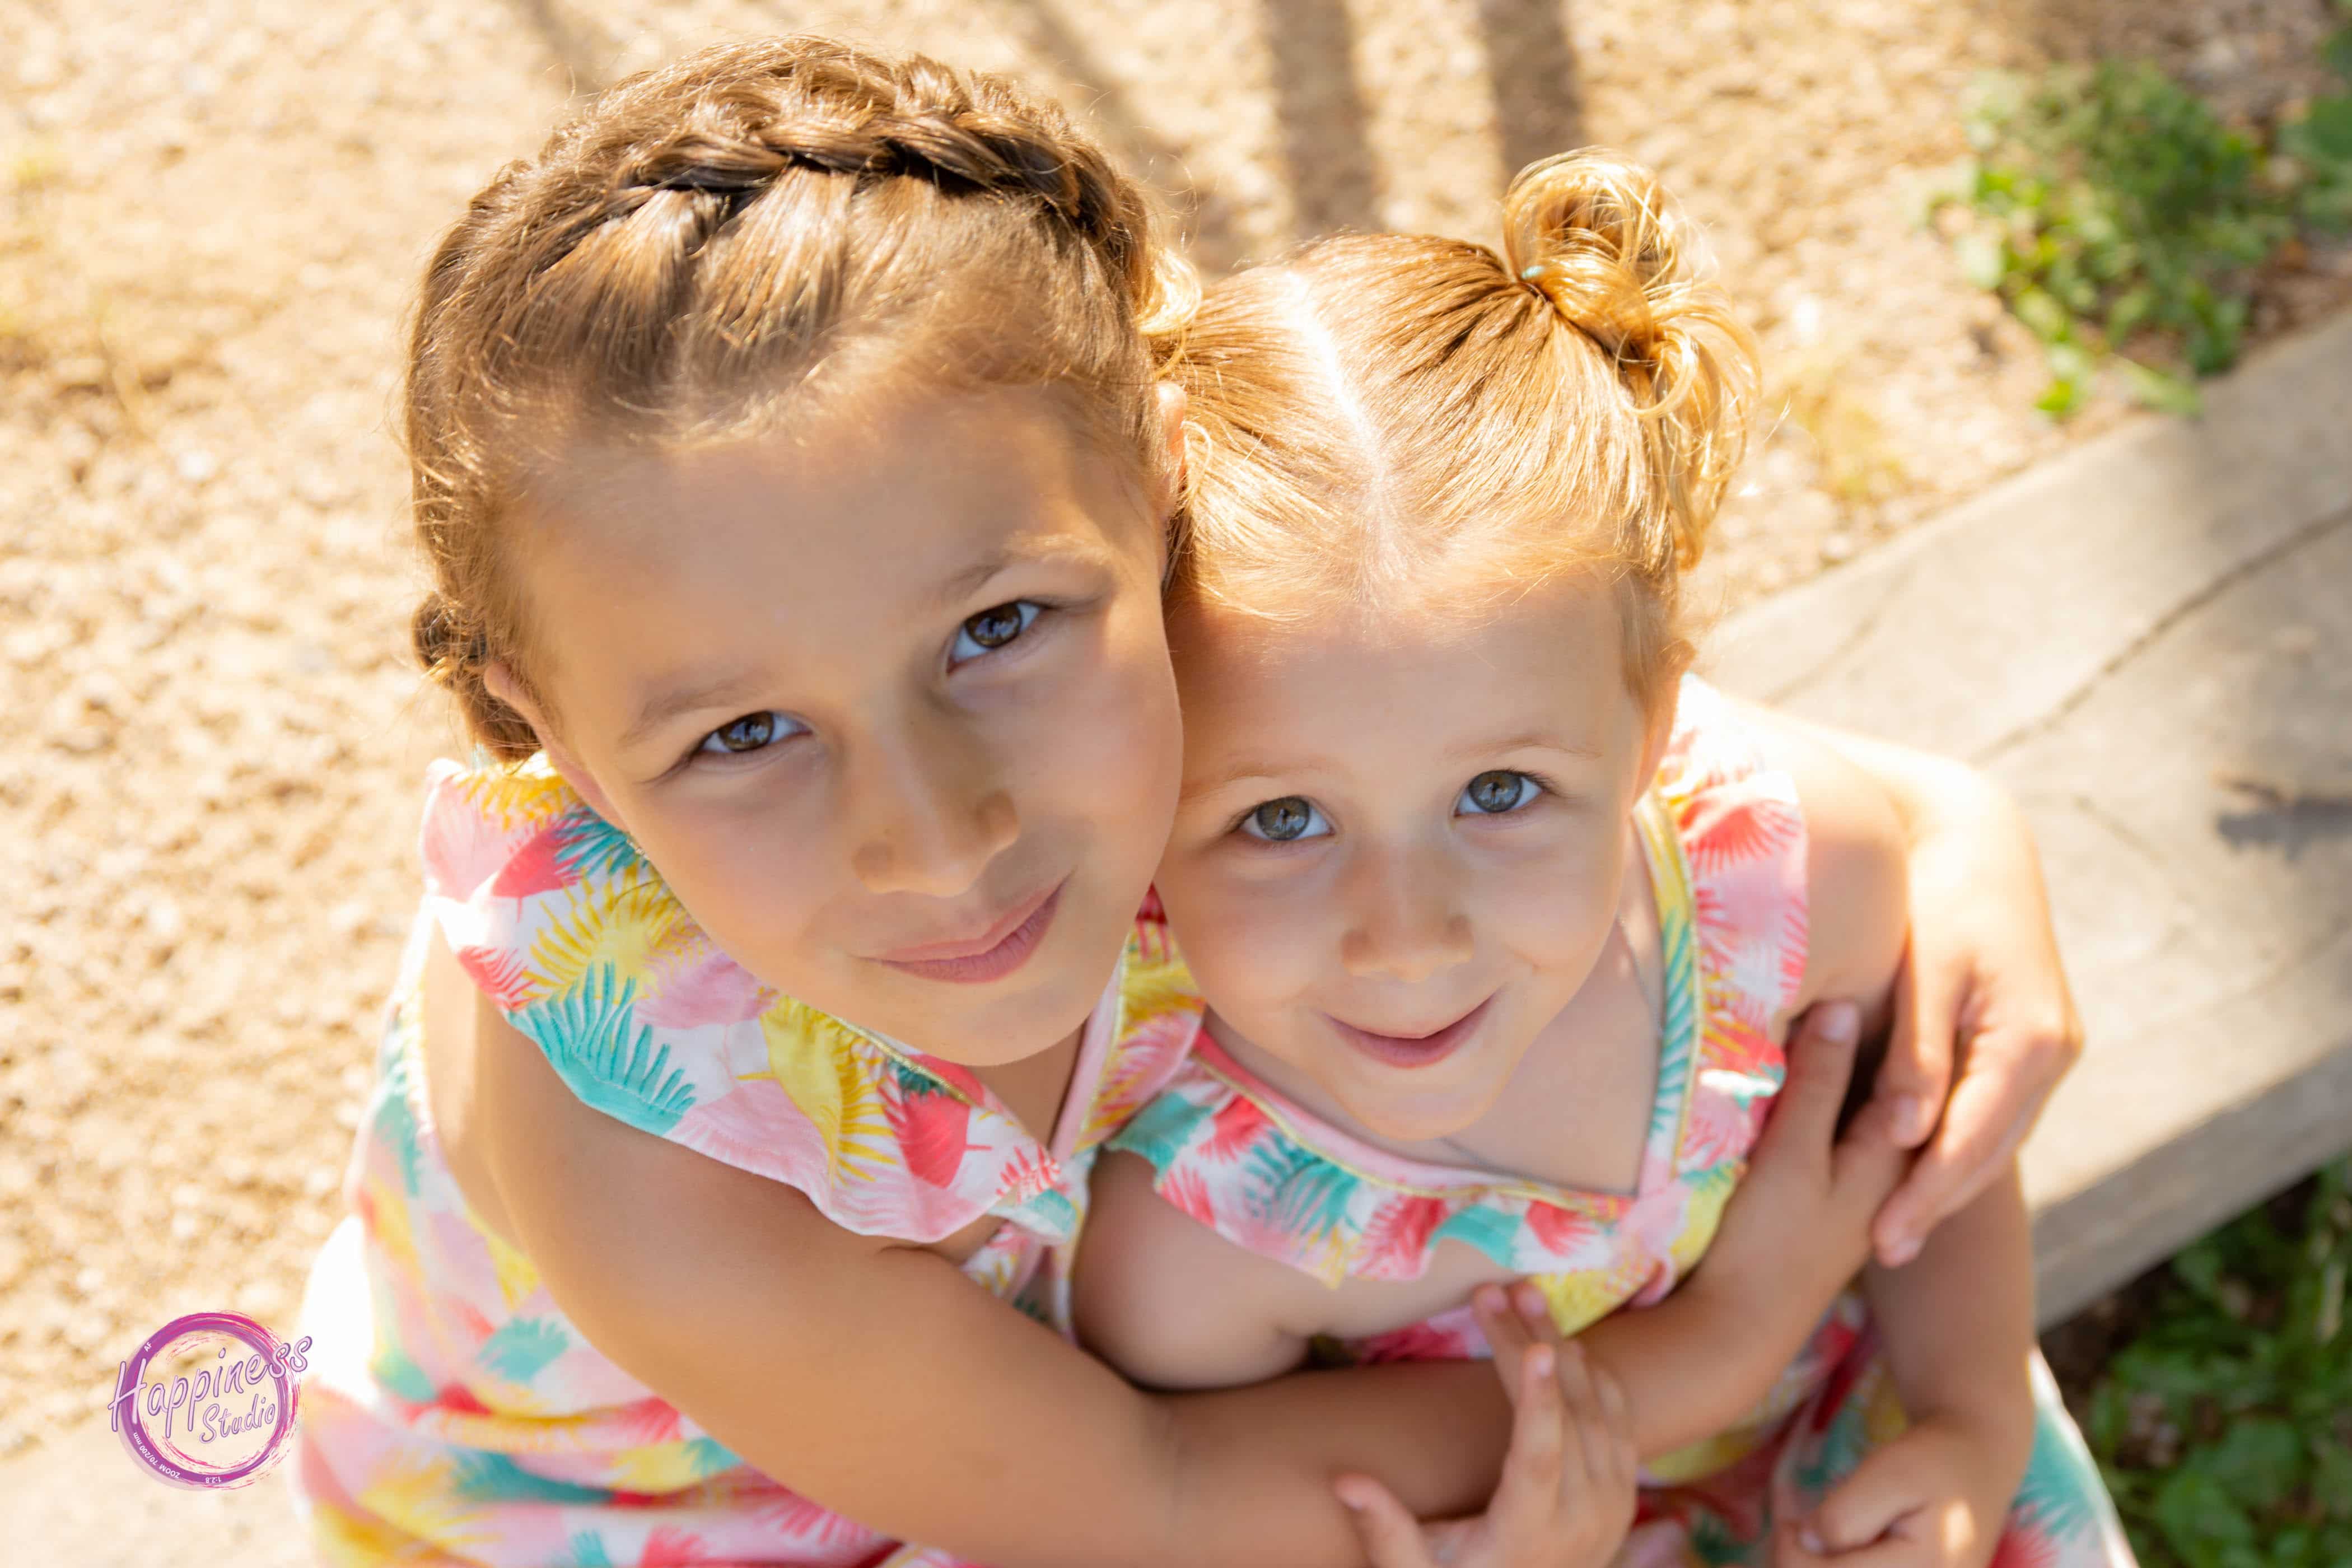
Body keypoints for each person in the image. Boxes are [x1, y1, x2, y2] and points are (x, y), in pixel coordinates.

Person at [292, 36, 2089, 1568]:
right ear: (559, 740)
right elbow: (1143, 1497)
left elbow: (1559, 703)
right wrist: (1720, 1346)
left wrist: (1951, 838)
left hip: (1155, 1398)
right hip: (743, 1506)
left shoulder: (1181, 655)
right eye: (744, 737)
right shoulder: (630, 1142)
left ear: (1164, 491)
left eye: (997, 629)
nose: (939, 838)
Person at [1074, 149, 2138, 1567]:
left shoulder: (1782, 885)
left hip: (1859, 1444)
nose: (1410, 936)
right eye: (1280, 819)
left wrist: (1968, 1421)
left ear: (1648, 731)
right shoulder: (1200, 1245)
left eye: (1502, 789)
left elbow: (1926, 1146)